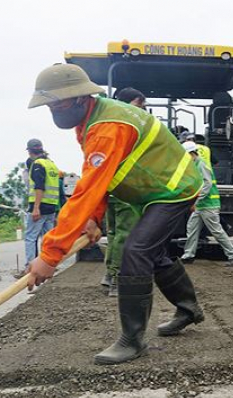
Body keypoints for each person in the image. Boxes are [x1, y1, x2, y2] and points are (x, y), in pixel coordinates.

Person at [26, 63, 204, 365]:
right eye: (50, 105)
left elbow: (87, 189)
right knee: (153, 253)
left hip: (172, 190)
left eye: (60, 103)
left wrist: (50, 254)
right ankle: (189, 309)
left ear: (82, 97)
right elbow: (95, 177)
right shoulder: (91, 120)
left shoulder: (108, 127)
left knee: (135, 252)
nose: (55, 110)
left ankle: (131, 341)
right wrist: (94, 218)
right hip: (150, 192)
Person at [101, 87, 148, 297]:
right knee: (123, 234)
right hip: (124, 189)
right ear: (128, 103)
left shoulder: (107, 124)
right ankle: (117, 280)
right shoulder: (129, 128)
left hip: (109, 187)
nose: (143, 111)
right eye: (140, 106)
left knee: (113, 234)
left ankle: (109, 275)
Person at [180, 141, 233, 266]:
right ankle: (188, 255)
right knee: (192, 229)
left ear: (192, 153)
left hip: (208, 205)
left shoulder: (201, 165)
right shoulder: (195, 165)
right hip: (202, 205)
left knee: (217, 231)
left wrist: (195, 201)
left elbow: (207, 184)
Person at [17, 139, 60, 278]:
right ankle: (48, 265)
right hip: (51, 206)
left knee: (30, 237)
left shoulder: (37, 164)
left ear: (29, 151)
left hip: (40, 207)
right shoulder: (51, 164)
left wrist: (36, 208)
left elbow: (39, 187)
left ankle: (30, 267)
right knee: (47, 238)